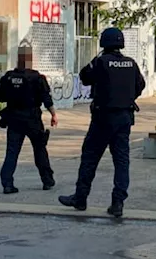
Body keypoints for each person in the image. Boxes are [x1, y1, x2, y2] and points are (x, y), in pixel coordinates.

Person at [58, 27, 145, 217]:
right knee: (122, 161)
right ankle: (118, 203)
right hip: (124, 118)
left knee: (90, 158)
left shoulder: (101, 62)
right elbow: (140, 86)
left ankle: (80, 199)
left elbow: (84, 77)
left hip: (102, 118)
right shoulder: (131, 63)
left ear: (104, 43)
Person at [0, 45, 58, 194]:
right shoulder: (37, 77)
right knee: (40, 149)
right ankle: (47, 180)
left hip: (14, 118)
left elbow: (1, 96)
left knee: (12, 152)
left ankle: (7, 184)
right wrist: (53, 114)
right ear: (31, 58)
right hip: (32, 119)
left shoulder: (8, 77)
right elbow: (46, 98)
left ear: (18, 58)